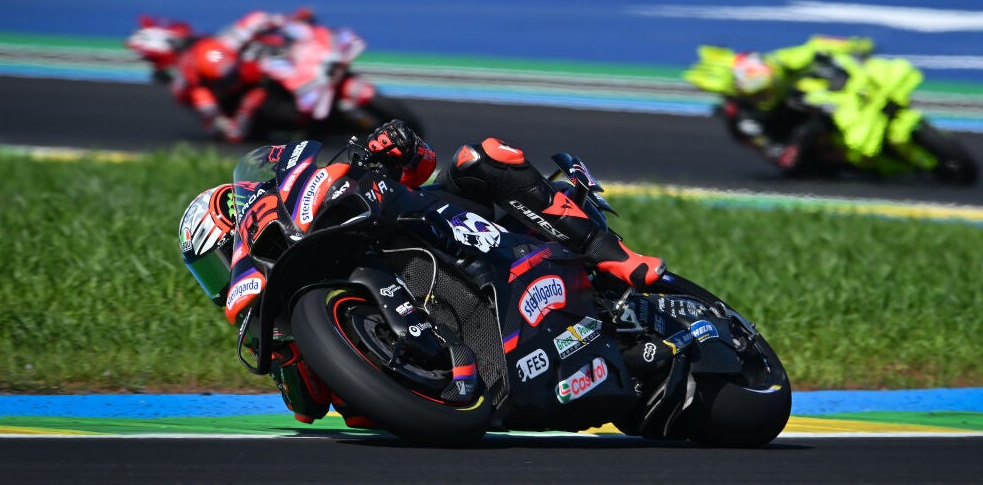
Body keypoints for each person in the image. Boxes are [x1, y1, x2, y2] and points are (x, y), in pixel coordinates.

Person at [178, 121, 665, 424]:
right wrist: (285, 348)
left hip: (451, 226)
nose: (218, 282)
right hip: (444, 393)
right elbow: (308, 410)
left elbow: (420, 164)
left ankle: (615, 255)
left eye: (216, 260)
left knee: (481, 157)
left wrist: (391, 146)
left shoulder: (313, 201)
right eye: (208, 275)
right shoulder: (278, 327)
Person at [684, 35, 875, 176]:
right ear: (743, 95)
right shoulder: (744, 121)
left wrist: (850, 47)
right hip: (793, 140)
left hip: (805, 109)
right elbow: (782, 157)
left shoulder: (776, 64)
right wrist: (803, 136)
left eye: (768, 89)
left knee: (808, 87)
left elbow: (814, 47)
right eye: (758, 95)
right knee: (808, 168)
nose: (766, 97)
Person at [128, 9, 319, 143]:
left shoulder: (222, 43)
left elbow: (256, 20)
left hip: (260, 68)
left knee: (279, 44)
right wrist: (245, 110)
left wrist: (288, 20)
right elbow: (231, 132)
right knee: (261, 132)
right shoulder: (196, 93)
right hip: (245, 104)